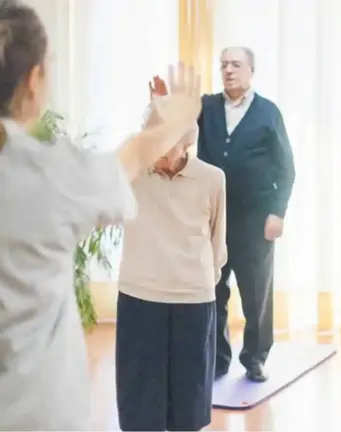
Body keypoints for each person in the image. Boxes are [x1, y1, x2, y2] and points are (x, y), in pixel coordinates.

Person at [0, 1, 202, 429]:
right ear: (34, 81)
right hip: (36, 412)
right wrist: (178, 117)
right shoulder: (46, 174)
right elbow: (131, 158)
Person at [151, 46, 296, 382]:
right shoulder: (208, 106)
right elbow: (176, 128)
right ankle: (217, 358)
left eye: (236, 64)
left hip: (255, 219)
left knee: (256, 292)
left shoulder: (268, 112)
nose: (229, 70)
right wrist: (161, 107)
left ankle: (255, 357)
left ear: (251, 70)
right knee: (212, 289)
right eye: (224, 65)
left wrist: (278, 213)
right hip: (211, 217)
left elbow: (286, 168)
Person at [114, 104, 227, 431]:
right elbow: (109, 165)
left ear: (187, 141)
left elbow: (217, 244)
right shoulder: (131, 172)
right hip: (139, 296)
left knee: (189, 406)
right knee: (139, 405)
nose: (160, 150)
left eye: (169, 139)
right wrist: (155, 119)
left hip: (193, 300)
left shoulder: (212, 178)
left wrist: (199, 280)